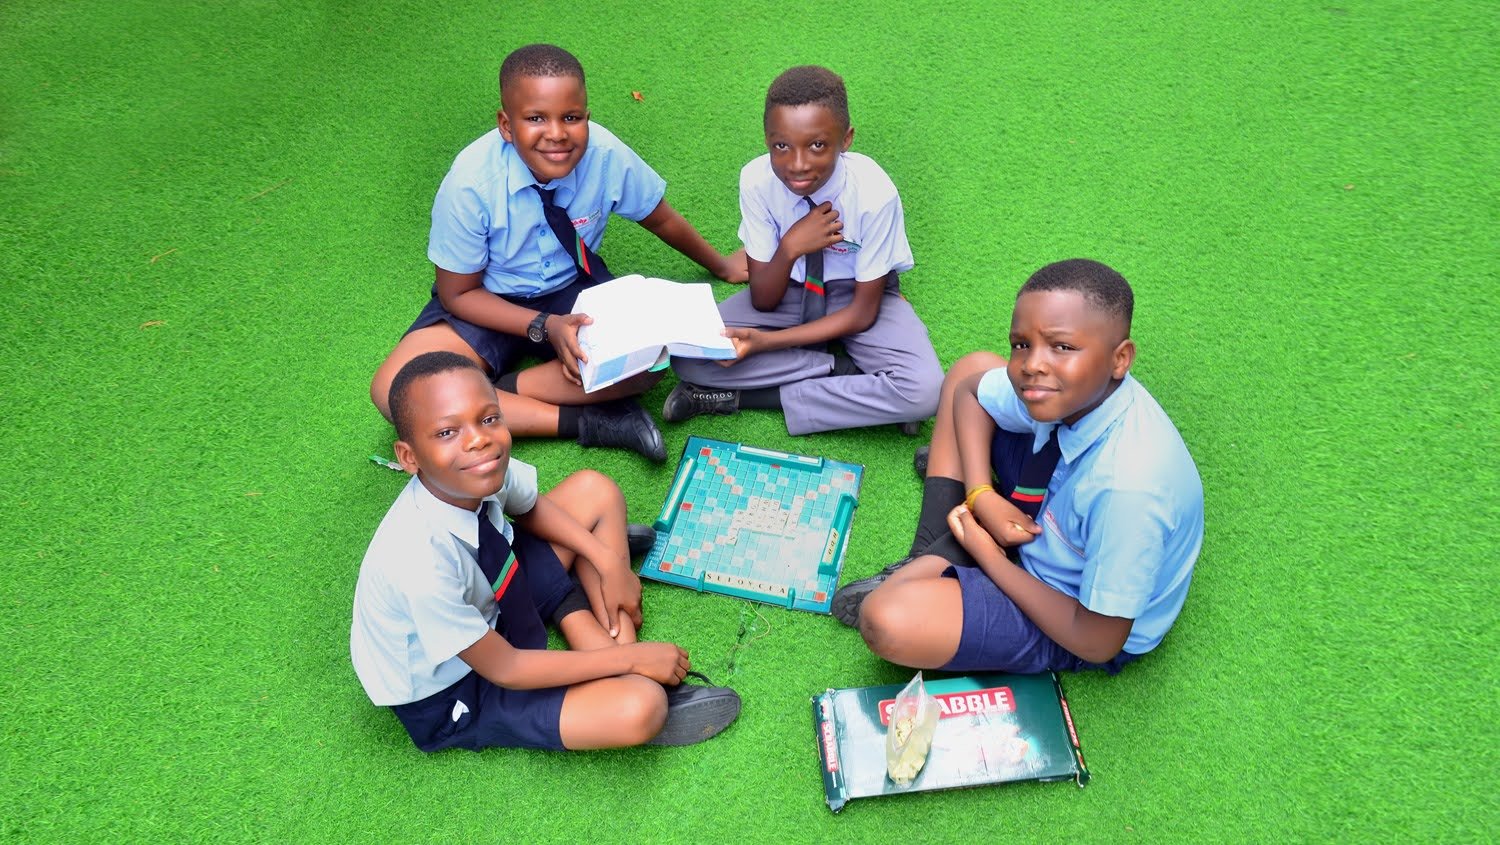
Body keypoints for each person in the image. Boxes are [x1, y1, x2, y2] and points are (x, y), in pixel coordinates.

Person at [370, 44, 747, 462]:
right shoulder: (469, 183)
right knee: (395, 391)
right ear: (506, 125)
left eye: (572, 117)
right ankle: (589, 422)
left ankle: (500, 392)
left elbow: (659, 218)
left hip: (573, 288)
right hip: (487, 300)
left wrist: (723, 265)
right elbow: (458, 294)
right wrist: (544, 326)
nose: (557, 134)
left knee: (649, 362)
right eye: (535, 118)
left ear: (586, 116)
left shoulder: (604, 154)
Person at [352, 351, 741, 751]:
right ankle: (613, 656)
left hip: (495, 591)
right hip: (457, 686)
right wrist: (633, 658)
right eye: (447, 432)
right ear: (409, 457)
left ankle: (581, 615)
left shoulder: (478, 468)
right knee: (640, 707)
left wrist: (609, 563)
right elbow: (507, 666)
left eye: (488, 418)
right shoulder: (418, 566)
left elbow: (531, 506)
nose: (478, 439)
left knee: (596, 491)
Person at [832, 259, 1204, 675]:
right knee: (971, 368)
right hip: (1047, 494)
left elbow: (1097, 640)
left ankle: (957, 550)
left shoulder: (1129, 490)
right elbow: (970, 390)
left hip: (1069, 613)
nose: (1032, 365)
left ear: (1120, 359)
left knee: (887, 619)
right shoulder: (1073, 395)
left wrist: (988, 555)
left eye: (1062, 347)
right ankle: (938, 542)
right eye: (1021, 344)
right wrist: (981, 494)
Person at [662, 65, 940, 436]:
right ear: (766, 140)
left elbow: (861, 314)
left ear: (846, 139)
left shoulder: (875, 193)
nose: (797, 164)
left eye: (817, 145)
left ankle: (742, 398)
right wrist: (791, 246)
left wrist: (766, 344)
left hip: (858, 298)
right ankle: (846, 373)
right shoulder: (757, 181)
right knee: (687, 354)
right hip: (789, 292)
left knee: (923, 390)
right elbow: (763, 298)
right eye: (781, 146)